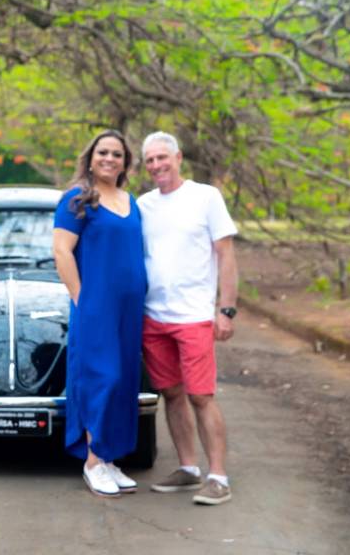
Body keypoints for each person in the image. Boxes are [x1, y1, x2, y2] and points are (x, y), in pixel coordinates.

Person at [137, 131, 238, 506]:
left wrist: (225, 309)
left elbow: (226, 254)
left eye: (162, 157)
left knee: (200, 395)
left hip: (194, 315)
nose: (157, 166)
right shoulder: (143, 205)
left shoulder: (205, 197)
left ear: (178, 157)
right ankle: (188, 468)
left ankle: (218, 476)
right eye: (149, 160)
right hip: (154, 317)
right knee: (172, 394)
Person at [52, 130, 147, 498]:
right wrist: (82, 299)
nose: (110, 159)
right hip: (96, 307)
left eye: (117, 154)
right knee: (101, 378)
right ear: (90, 158)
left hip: (129, 309)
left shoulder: (129, 200)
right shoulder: (77, 199)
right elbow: (62, 252)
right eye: (103, 152)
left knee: (124, 379)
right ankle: (93, 461)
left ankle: (108, 458)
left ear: (126, 163)